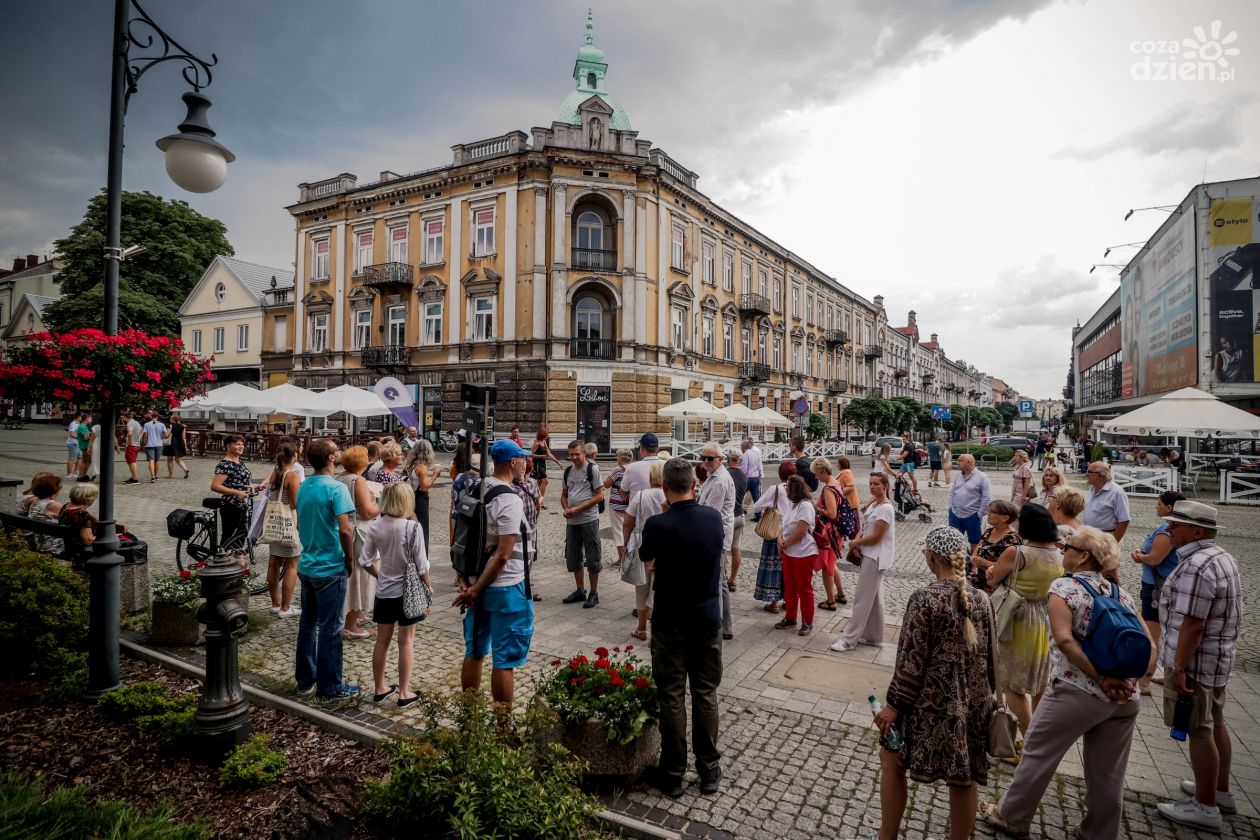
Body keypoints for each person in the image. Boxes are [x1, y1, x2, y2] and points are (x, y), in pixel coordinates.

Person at [983, 526, 1149, 840]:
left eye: (1068, 546)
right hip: (1126, 699)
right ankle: (1100, 833)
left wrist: (1101, 679)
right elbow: (1150, 649)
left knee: (1037, 752)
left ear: (1083, 556)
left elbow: (1064, 640)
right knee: (1108, 773)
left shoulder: (1065, 587)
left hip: (1078, 691)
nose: (1063, 549)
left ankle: (1012, 817)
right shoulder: (1119, 592)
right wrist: (1128, 682)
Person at [875, 526, 994, 840]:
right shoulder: (981, 599)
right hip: (971, 702)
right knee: (963, 777)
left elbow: (910, 660)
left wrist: (893, 706)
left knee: (891, 760)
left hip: (929, 703)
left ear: (931, 556)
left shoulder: (924, 598)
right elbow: (992, 657)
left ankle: (886, 837)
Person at [639, 457, 725, 798]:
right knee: (705, 694)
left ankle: (673, 773)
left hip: (670, 621)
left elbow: (647, 556)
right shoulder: (713, 518)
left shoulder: (658, 525)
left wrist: (663, 513)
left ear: (665, 487)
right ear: (694, 485)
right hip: (707, 618)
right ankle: (709, 772)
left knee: (671, 695)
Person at [1155, 501, 1242, 831]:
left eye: (1176, 525)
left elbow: (1193, 624)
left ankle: (1205, 808)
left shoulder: (1196, 565)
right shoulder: (1222, 556)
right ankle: (1219, 791)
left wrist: (1178, 669)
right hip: (1217, 659)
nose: (1169, 529)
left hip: (1195, 663)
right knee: (1215, 722)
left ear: (1197, 531)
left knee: (1199, 730)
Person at [452, 439, 535, 708]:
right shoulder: (508, 498)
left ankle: (470, 718)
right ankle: (502, 730)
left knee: (474, 651)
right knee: (504, 659)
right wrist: (475, 590)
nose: (526, 463)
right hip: (506, 587)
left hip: (477, 580)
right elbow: (503, 554)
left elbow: (462, 537)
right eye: (522, 459)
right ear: (513, 463)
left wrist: (465, 579)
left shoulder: (476, 487)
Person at [987, 504, 1064, 754]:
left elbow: (992, 578)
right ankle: (1037, 736)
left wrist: (989, 568)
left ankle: (1031, 741)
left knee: (1012, 684)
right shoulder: (1059, 552)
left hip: (1017, 619)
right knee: (1040, 683)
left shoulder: (1017, 552)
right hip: (1044, 616)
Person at [294, 437, 359, 700]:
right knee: (331, 628)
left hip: (307, 564)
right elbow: (345, 529)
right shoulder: (336, 488)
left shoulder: (304, 485)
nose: (340, 452)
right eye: (336, 450)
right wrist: (349, 558)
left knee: (307, 624)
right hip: (330, 565)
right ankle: (330, 687)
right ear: (331, 458)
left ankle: (304, 680)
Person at [360, 482, 430, 708]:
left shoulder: (375, 526)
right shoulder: (412, 528)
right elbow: (421, 565)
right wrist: (428, 587)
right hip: (407, 592)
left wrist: (379, 575)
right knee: (406, 641)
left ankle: (380, 687)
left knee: (382, 641)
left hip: (384, 592)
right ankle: (404, 691)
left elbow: (365, 560)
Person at [831, 472, 895, 653]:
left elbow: (876, 536)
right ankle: (875, 636)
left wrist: (855, 543)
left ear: (885, 486)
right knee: (874, 599)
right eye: (870, 483)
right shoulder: (875, 504)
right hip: (870, 554)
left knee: (862, 599)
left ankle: (849, 639)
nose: (872, 486)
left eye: (876, 484)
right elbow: (865, 527)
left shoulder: (886, 509)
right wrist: (857, 541)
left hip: (876, 557)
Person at [335, 445, 381, 641]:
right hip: (359, 531)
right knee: (359, 577)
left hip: (344, 529)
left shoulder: (339, 478)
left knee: (350, 575)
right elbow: (367, 512)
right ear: (363, 462)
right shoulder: (358, 480)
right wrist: (382, 501)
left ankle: (351, 617)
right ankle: (351, 624)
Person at [623, 460, 667, 641]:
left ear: (651, 477)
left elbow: (627, 523)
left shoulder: (641, 496)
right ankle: (656, 627)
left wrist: (626, 544)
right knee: (659, 589)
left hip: (642, 544)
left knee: (642, 588)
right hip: (663, 546)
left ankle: (641, 628)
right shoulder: (668, 496)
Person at [698, 442, 737, 640]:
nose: (705, 462)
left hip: (715, 535)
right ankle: (724, 627)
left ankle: (719, 627)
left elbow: (709, 512)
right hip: (715, 534)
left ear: (720, 460)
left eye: (710, 459)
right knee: (720, 582)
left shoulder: (720, 480)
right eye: (704, 458)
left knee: (718, 582)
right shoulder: (713, 477)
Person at [561, 440, 604, 609]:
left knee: (593, 557)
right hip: (572, 521)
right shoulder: (568, 471)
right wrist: (566, 508)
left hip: (589, 519)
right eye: (571, 454)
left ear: (584, 453)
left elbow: (599, 495)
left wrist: (578, 508)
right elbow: (564, 495)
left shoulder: (592, 469)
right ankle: (580, 590)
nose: (574, 457)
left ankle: (594, 593)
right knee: (573, 557)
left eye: (577, 454)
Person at [774, 475, 818, 637]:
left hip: (804, 552)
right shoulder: (792, 505)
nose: (786, 491)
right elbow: (783, 525)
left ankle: (807, 621)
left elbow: (801, 530)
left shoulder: (805, 506)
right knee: (790, 586)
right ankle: (790, 618)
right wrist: (780, 539)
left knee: (804, 588)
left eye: (788, 488)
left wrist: (786, 543)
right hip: (789, 552)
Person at [264, 442, 303, 618]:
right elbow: (295, 503)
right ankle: (286, 608)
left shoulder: (276, 471)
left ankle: (275, 603)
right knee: (292, 564)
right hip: (288, 524)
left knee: (274, 562)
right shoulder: (292, 475)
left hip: (274, 524)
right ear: (294, 456)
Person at [752, 461, 796, 614]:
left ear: (780, 474)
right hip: (791, 533)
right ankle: (788, 599)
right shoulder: (796, 489)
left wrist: (771, 506)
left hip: (775, 532)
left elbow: (757, 505)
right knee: (787, 567)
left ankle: (774, 602)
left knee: (773, 567)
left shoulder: (775, 489)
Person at [811, 456, 848, 610]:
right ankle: (840, 594)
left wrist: (816, 507)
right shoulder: (837, 483)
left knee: (827, 566)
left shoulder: (828, 489)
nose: (815, 477)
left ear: (822, 471)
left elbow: (831, 513)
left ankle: (830, 601)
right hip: (837, 532)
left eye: (816, 474)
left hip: (829, 533)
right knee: (832, 564)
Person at [210, 434, 256, 549]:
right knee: (228, 536)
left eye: (242, 444)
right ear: (228, 446)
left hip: (243, 504)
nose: (241, 446)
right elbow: (215, 486)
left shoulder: (240, 463)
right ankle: (220, 560)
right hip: (230, 505)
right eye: (237, 444)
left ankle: (238, 560)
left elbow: (242, 482)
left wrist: (253, 486)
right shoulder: (225, 464)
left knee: (241, 535)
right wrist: (236, 492)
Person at [508, 455, 543, 603]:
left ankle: (525, 586)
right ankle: (520, 589)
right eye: (523, 463)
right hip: (517, 529)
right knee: (516, 559)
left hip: (531, 526)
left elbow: (539, 499)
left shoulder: (532, 483)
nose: (526, 467)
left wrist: (536, 515)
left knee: (529, 558)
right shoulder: (510, 485)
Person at [970, 500, 1021, 592]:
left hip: (997, 586)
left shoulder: (1012, 539)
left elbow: (1009, 567)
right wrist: (976, 561)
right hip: (979, 580)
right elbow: (974, 555)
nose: (987, 514)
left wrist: (984, 563)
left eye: (992, 512)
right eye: (988, 511)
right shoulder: (988, 532)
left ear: (1005, 518)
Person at [947, 454, 991, 549]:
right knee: (954, 541)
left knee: (975, 541)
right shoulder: (958, 476)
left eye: (960, 461)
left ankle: (973, 562)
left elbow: (987, 497)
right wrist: (950, 507)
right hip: (955, 514)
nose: (957, 463)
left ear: (968, 462)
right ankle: (958, 562)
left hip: (972, 515)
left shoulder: (982, 477)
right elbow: (952, 492)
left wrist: (979, 514)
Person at [402, 439, 438, 550]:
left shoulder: (410, 465)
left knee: (412, 525)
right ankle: (422, 557)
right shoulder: (421, 467)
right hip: (420, 499)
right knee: (422, 527)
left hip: (411, 497)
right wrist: (435, 475)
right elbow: (424, 487)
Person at [1081, 461, 1131, 542]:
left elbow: (1124, 520)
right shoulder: (1092, 488)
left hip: (1106, 538)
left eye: (1089, 472)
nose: (1086, 474)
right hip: (1090, 537)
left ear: (1100, 476)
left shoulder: (1116, 492)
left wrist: (1113, 542)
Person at [20, 473, 64, 554]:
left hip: (39, 542)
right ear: (55, 490)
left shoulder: (33, 502)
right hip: (53, 546)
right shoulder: (53, 505)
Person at [724, 449, 748, 593]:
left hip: (728, 516)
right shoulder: (744, 476)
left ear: (728, 459)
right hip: (740, 515)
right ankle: (733, 579)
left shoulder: (725, 474)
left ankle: (723, 577)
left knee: (723, 549)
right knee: (736, 549)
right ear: (740, 460)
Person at [605, 448, 632, 569]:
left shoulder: (617, 470)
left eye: (617, 456)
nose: (616, 458)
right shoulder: (632, 469)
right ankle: (630, 558)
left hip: (616, 505)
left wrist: (606, 478)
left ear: (621, 458)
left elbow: (606, 484)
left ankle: (622, 560)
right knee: (629, 531)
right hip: (629, 506)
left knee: (618, 532)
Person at [57, 483, 103, 548]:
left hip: (68, 545)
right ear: (89, 499)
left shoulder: (66, 506)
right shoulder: (82, 515)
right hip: (80, 550)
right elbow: (88, 540)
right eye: (95, 497)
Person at [621, 432, 664, 499]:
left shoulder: (632, 467)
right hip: (662, 508)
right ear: (658, 449)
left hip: (638, 507)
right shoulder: (668, 465)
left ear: (642, 448)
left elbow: (624, 489)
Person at [529, 428, 562, 507]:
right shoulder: (536, 443)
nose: (548, 435)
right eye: (547, 434)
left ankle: (535, 499)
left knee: (539, 483)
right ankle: (540, 502)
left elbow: (549, 454)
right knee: (545, 481)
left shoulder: (544, 442)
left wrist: (557, 462)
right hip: (537, 464)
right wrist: (541, 456)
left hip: (542, 464)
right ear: (543, 435)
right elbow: (530, 454)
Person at [740, 438, 765, 522]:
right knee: (756, 497)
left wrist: (741, 478)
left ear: (743, 447)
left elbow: (744, 469)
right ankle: (758, 514)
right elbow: (759, 465)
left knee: (739, 494)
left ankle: (738, 511)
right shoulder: (755, 454)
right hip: (756, 477)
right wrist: (760, 475)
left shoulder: (745, 455)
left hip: (748, 478)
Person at [119, 409, 143, 485]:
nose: (123, 419)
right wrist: (139, 438)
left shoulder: (130, 423)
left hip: (132, 445)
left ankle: (135, 479)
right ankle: (133, 477)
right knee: (131, 461)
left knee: (132, 462)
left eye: (123, 417)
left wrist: (129, 442)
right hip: (137, 445)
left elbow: (129, 434)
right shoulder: (136, 422)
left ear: (126, 417)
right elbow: (142, 430)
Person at [141, 412, 167, 483]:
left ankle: (152, 477)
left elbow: (145, 435)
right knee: (157, 461)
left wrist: (143, 443)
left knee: (151, 460)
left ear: (151, 416)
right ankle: (155, 476)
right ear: (158, 416)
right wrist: (161, 436)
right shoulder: (162, 424)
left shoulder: (146, 424)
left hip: (149, 444)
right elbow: (166, 435)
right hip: (159, 444)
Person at [165, 413, 190, 479]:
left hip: (171, 443)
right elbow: (184, 437)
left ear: (173, 419)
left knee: (170, 459)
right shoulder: (182, 427)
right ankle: (185, 469)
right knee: (178, 459)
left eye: (171, 418)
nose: (170, 419)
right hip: (179, 443)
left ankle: (170, 474)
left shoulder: (170, 426)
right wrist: (185, 446)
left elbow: (167, 435)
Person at [75, 412, 95, 480]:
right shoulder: (82, 427)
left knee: (88, 461)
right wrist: (93, 435)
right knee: (84, 461)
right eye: (90, 418)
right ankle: (81, 476)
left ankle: (84, 474)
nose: (91, 419)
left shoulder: (84, 426)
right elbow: (85, 438)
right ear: (87, 419)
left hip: (86, 446)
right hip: (85, 446)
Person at [64, 413, 81, 477]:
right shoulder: (73, 424)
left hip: (79, 443)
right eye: (81, 417)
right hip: (73, 443)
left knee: (80, 458)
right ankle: (69, 473)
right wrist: (80, 438)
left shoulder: (79, 424)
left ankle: (75, 473)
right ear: (78, 417)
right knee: (72, 459)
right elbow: (72, 434)